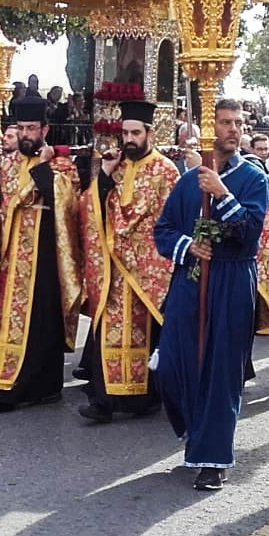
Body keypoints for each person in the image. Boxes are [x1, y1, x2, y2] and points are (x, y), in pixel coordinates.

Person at [152, 99, 269, 492]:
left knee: (221, 369)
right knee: (172, 363)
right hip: (190, 278)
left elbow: (249, 234)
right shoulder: (188, 182)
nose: (233, 129)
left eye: (238, 123)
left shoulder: (254, 178)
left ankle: (213, 458)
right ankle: (195, 427)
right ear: (210, 127)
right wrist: (188, 245)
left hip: (232, 277)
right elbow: (163, 230)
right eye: (225, 122)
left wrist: (222, 194)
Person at [0, 98, 83, 413]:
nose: (25, 134)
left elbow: (69, 204)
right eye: (20, 128)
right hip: (9, 253)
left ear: (44, 130)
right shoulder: (6, 164)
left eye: (31, 128)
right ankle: (4, 382)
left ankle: (41, 386)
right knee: (9, 320)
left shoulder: (61, 164)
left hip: (44, 254)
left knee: (42, 319)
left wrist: (44, 168)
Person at [77, 101, 177, 423]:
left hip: (146, 268)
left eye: (136, 133)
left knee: (144, 333)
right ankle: (103, 400)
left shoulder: (165, 170)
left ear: (150, 133)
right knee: (109, 329)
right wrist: (105, 174)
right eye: (125, 133)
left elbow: (170, 219)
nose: (129, 139)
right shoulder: (116, 166)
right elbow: (92, 207)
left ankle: (143, 399)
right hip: (113, 268)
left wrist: (140, 249)